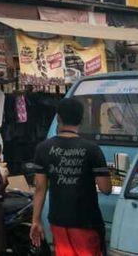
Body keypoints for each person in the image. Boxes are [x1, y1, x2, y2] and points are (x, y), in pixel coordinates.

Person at [30, 98, 112, 256]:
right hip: (86, 222)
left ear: (58, 118)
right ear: (81, 119)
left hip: (58, 221)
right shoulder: (92, 150)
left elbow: (40, 188)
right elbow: (105, 188)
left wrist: (36, 220)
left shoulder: (43, 148)